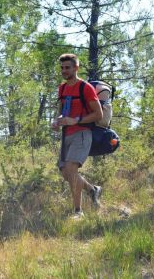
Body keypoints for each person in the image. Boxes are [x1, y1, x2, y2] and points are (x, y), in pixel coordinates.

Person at [52, 54, 103, 219]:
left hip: (82, 133)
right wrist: (57, 121)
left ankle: (78, 211)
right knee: (66, 173)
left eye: (67, 67)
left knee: (72, 169)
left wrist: (76, 120)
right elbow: (61, 112)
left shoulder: (85, 88)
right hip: (66, 134)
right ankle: (92, 190)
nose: (64, 71)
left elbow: (98, 114)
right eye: (62, 68)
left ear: (76, 68)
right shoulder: (62, 88)